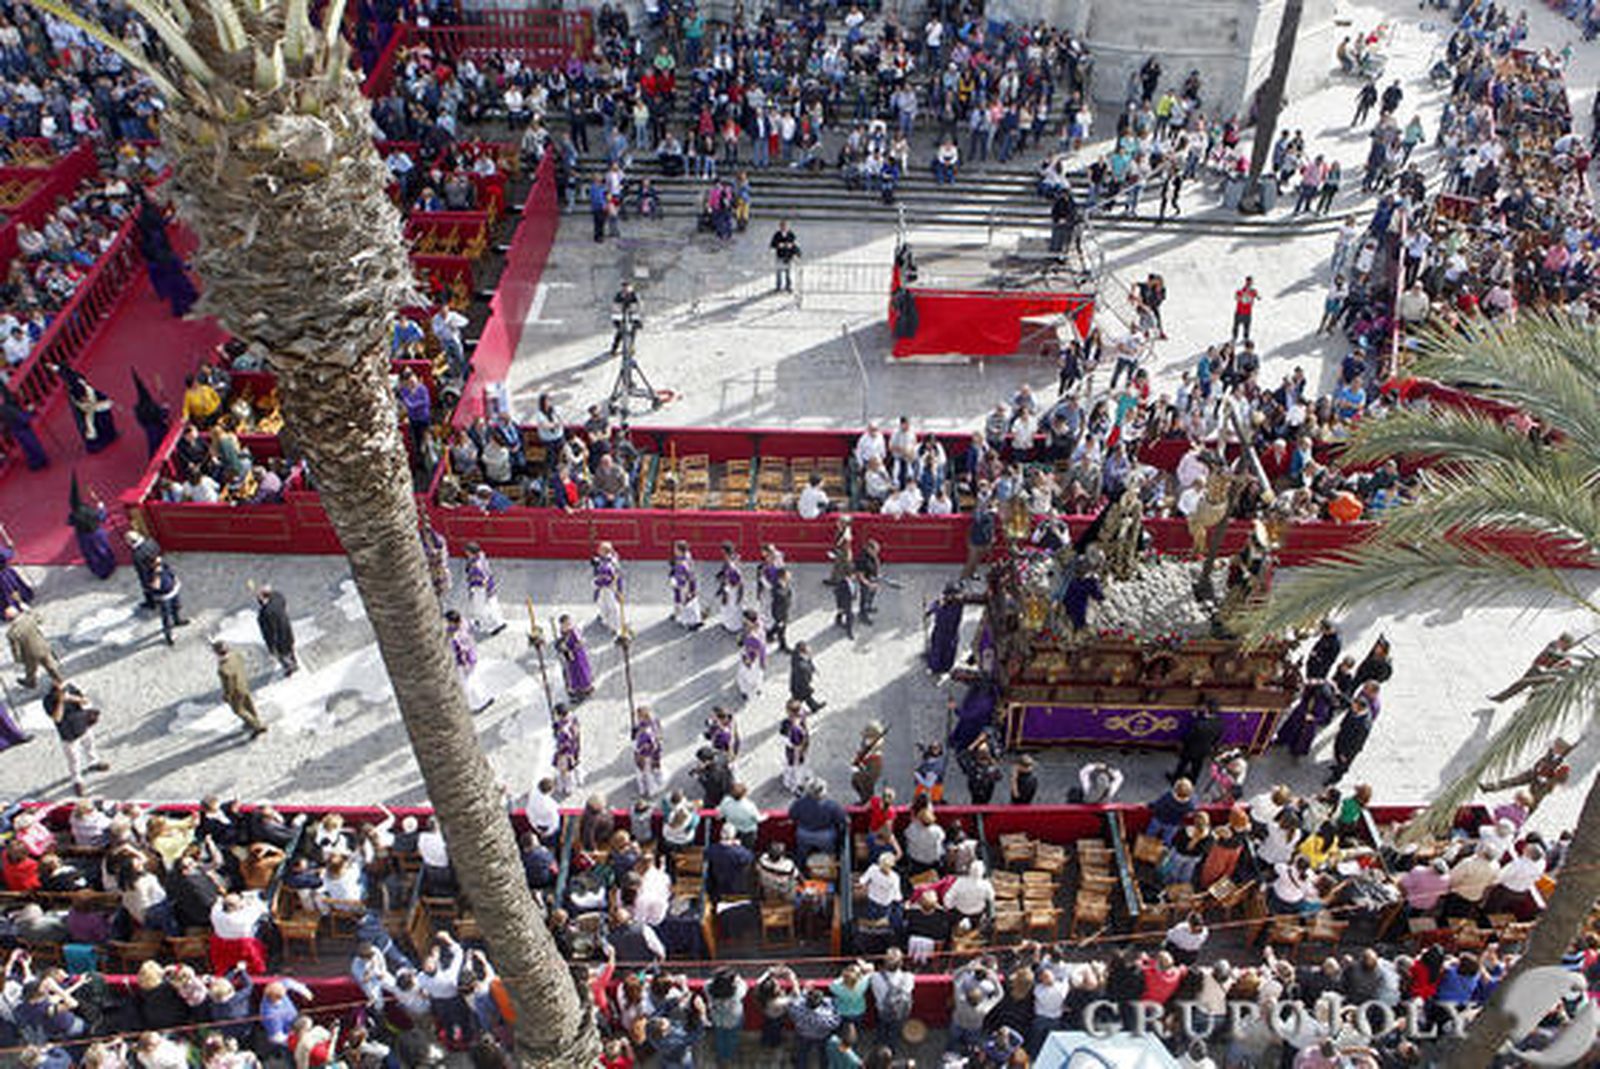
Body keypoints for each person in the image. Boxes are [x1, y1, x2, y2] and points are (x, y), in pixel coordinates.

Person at [44, 678, 107, 793]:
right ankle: (77, 780)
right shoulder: (48, 700)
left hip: (82, 725)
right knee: (73, 759)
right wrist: (61, 701)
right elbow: (57, 718)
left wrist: (71, 698)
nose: (63, 689)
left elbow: (85, 701)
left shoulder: (71, 689)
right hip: (68, 734)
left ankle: (93, 762)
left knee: (90, 746)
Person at [1489, 633, 1576, 702]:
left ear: (1566, 645)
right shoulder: (1553, 645)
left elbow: (1559, 670)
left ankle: (1522, 715)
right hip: (1536, 670)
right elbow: (1544, 656)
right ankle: (1501, 698)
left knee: (1534, 696)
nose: (1559, 642)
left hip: (1544, 678)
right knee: (1519, 684)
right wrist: (1538, 664)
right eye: (1560, 640)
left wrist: (1555, 664)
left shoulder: (1566, 657)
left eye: (1562, 642)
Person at [55, 362, 118, 453]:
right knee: (89, 424)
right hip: (85, 407)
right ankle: (97, 441)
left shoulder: (84, 386)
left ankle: (109, 434)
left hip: (91, 401)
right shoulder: (74, 392)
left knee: (101, 416)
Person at [213, 640, 267, 737]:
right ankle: (255, 718)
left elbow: (228, 685)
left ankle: (256, 725)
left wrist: (227, 696)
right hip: (243, 683)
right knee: (248, 704)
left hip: (236, 692)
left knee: (239, 710)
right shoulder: (235, 655)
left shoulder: (223, 669)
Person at [67, 478, 117, 580]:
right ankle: (109, 566)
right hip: (95, 533)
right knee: (102, 550)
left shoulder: (73, 514)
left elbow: (70, 522)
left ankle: (100, 572)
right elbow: (101, 517)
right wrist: (102, 507)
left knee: (91, 554)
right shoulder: (87, 510)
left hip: (83, 537)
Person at [446, 610, 492, 713]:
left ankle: (477, 703)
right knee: (474, 681)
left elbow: (460, 651)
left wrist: (464, 665)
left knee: (468, 684)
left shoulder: (456, 636)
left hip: (464, 663)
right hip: (471, 658)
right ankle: (484, 698)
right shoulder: (463, 625)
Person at [6, 604, 61, 690]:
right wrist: (29, 610)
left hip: (29, 654)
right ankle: (58, 679)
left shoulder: (12, 633)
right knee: (50, 665)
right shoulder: (29, 618)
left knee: (30, 670)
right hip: (42, 646)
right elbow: (40, 619)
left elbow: (15, 649)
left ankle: (31, 682)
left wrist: (18, 659)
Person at [1172, 700, 1223, 785]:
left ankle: (1175, 779)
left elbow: (1189, 736)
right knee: (1197, 766)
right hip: (1204, 749)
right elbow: (1217, 738)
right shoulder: (1220, 723)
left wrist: (1182, 743)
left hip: (1190, 749)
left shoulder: (1199, 724)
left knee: (1183, 764)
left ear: (1207, 709)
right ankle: (1193, 780)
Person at [463, 542, 507, 637]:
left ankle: (492, 627)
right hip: (490, 586)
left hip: (481, 590)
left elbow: (478, 580)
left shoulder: (476, 567)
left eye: (467, 552)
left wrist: (473, 590)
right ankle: (500, 622)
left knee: (482, 609)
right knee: (493, 606)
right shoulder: (481, 556)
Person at [143, 553, 186, 644]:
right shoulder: (149, 574)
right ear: (151, 564)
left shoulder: (163, 564)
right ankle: (168, 636)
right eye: (157, 563)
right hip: (164, 598)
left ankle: (177, 620)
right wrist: (157, 574)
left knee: (176, 607)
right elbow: (155, 587)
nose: (160, 563)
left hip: (173, 591)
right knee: (166, 617)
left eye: (160, 561)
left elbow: (170, 572)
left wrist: (175, 579)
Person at [254, 585, 297, 676]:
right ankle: (294, 663)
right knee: (290, 650)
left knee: (283, 656)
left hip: (278, 640)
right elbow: (277, 595)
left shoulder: (264, 615)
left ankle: (289, 669)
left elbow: (268, 633)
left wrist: (271, 647)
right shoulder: (278, 600)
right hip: (287, 632)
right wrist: (266, 592)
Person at [926, 584, 965, 674]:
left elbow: (950, 616)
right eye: (949, 595)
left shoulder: (958, 605)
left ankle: (946, 667)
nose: (951, 597)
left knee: (949, 651)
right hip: (939, 631)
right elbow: (934, 605)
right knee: (937, 650)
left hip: (951, 632)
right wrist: (929, 611)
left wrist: (939, 607)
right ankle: (934, 667)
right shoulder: (941, 601)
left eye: (954, 595)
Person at [555, 614, 594, 701]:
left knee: (581, 672)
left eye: (568, 624)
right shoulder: (563, 633)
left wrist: (571, 649)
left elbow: (580, 643)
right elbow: (559, 644)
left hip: (578, 656)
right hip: (569, 657)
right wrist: (561, 647)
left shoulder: (574, 632)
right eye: (564, 625)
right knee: (572, 673)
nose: (566, 626)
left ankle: (586, 688)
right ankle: (576, 689)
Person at [668, 540, 704, 630]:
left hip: (684, 587)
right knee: (687, 604)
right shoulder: (686, 556)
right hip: (683, 585)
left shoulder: (683, 564)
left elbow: (689, 577)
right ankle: (683, 618)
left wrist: (688, 590)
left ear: (680, 550)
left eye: (675, 549)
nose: (674, 551)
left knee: (687, 604)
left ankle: (691, 622)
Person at [592, 542, 625, 634]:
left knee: (610, 606)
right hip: (607, 587)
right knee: (604, 604)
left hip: (608, 588)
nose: (598, 550)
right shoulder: (607, 560)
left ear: (604, 552)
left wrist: (596, 582)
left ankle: (614, 626)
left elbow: (609, 578)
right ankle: (605, 618)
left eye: (600, 549)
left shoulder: (608, 565)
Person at [714, 542, 745, 633]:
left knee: (733, 606)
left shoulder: (733, 564)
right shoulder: (730, 560)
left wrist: (727, 585)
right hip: (729, 586)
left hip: (733, 588)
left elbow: (738, 580)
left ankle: (734, 626)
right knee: (727, 606)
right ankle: (727, 623)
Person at [552, 704, 581, 798]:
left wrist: (560, 754)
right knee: (572, 767)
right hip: (575, 748)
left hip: (566, 753)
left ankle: (568, 787)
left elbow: (563, 743)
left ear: (560, 715)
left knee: (565, 771)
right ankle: (575, 780)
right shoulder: (573, 718)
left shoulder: (564, 730)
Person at [736, 611, 766, 701]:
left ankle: (746, 692)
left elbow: (757, 650)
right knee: (756, 675)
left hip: (750, 659)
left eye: (746, 620)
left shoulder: (753, 637)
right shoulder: (759, 626)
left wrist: (748, 660)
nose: (744, 622)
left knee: (747, 675)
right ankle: (756, 689)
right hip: (754, 658)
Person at [767, 566, 793, 651]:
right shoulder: (777, 590)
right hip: (779, 613)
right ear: (782, 576)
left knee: (778, 626)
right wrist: (780, 618)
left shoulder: (785, 583)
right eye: (787, 574)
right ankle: (783, 645)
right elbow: (779, 604)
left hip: (784, 610)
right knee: (781, 630)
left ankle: (769, 634)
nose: (790, 575)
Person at [770, 219, 801, 292]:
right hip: (780, 255)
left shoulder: (791, 234)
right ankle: (778, 286)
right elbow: (772, 244)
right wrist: (778, 245)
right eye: (782, 226)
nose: (783, 228)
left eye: (785, 226)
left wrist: (791, 246)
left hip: (788, 256)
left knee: (788, 272)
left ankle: (788, 286)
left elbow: (795, 244)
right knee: (779, 272)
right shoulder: (777, 234)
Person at [1231, 277, 1259, 342]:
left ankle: (1245, 337)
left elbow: (1257, 296)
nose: (1249, 283)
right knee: (1236, 325)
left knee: (1247, 326)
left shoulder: (1253, 291)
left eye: (1250, 282)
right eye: (1248, 282)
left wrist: (1256, 296)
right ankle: (1234, 337)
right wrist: (1241, 297)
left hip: (1247, 312)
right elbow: (1236, 297)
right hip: (1239, 311)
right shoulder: (1241, 291)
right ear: (1246, 282)